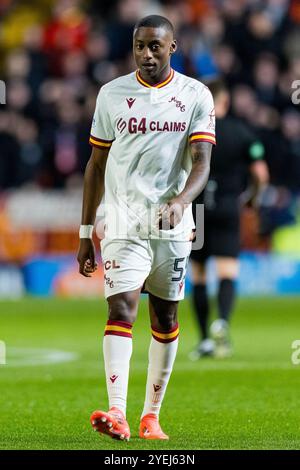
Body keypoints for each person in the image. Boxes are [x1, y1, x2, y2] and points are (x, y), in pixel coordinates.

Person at [77, 15, 215, 441]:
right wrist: (86, 233)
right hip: (122, 222)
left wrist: (180, 202)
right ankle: (116, 413)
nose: (146, 54)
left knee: (166, 317)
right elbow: (95, 165)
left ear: (172, 47)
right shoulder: (111, 94)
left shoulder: (195, 94)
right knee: (120, 310)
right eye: (139, 46)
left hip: (174, 226)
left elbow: (202, 163)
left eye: (155, 46)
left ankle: (150, 415)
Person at [189, 80, 269, 360]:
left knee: (197, 275)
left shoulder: (192, 131)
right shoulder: (241, 132)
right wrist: (252, 197)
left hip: (196, 209)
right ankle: (221, 321)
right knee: (227, 271)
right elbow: (260, 174)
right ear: (225, 100)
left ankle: (203, 340)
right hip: (227, 207)